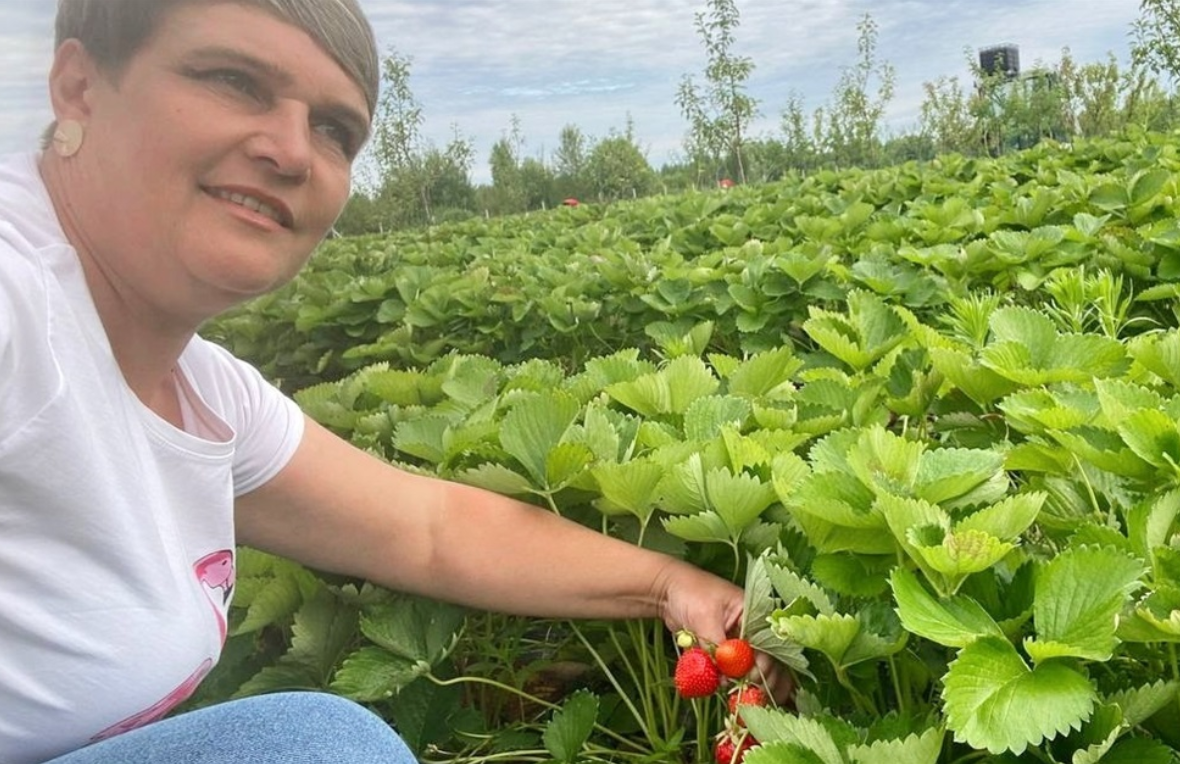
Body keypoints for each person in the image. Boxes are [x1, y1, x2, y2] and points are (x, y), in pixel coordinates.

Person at [0, 1, 786, 762]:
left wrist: (667, 584)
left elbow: (426, 529)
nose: (291, 150)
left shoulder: (203, 389)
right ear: (80, 86)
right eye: (233, 80)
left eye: (334, 129)